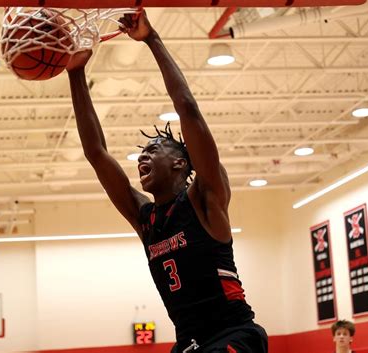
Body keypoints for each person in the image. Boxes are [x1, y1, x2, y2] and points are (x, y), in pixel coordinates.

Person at [66, 10, 267, 353]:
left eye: (152, 149)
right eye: (141, 153)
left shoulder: (205, 197)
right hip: (189, 345)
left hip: (233, 335)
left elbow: (187, 107)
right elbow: (96, 153)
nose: (142, 157)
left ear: (179, 162)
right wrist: (75, 72)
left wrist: (151, 39)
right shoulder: (146, 218)